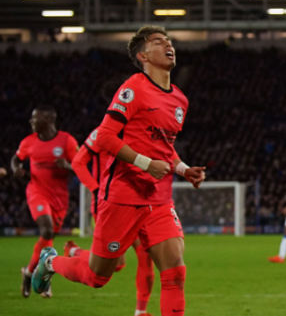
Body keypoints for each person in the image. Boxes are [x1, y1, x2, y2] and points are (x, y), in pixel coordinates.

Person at [30, 25, 206, 316]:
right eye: (158, 42)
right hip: (122, 196)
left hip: (159, 201)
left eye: (169, 40)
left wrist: (183, 169)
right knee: (96, 277)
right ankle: (50, 262)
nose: (168, 44)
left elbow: (163, 146)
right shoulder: (133, 88)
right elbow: (105, 137)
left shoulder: (180, 100)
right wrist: (146, 164)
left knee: (175, 273)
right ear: (143, 56)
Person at [63, 77, 156, 316]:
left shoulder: (142, 131)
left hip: (138, 202)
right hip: (110, 202)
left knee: (145, 255)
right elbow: (78, 162)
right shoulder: (103, 133)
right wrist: (95, 190)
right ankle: (71, 254)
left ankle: (140, 312)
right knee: (114, 266)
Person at [11, 105, 78, 298]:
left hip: (60, 197)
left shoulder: (67, 141)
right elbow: (16, 159)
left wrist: (67, 165)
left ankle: (31, 272)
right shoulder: (28, 142)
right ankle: (39, 274)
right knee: (47, 230)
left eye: (35, 118)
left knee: (49, 238)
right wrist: (16, 169)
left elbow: (80, 166)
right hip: (37, 191)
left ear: (48, 120)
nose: (31, 122)